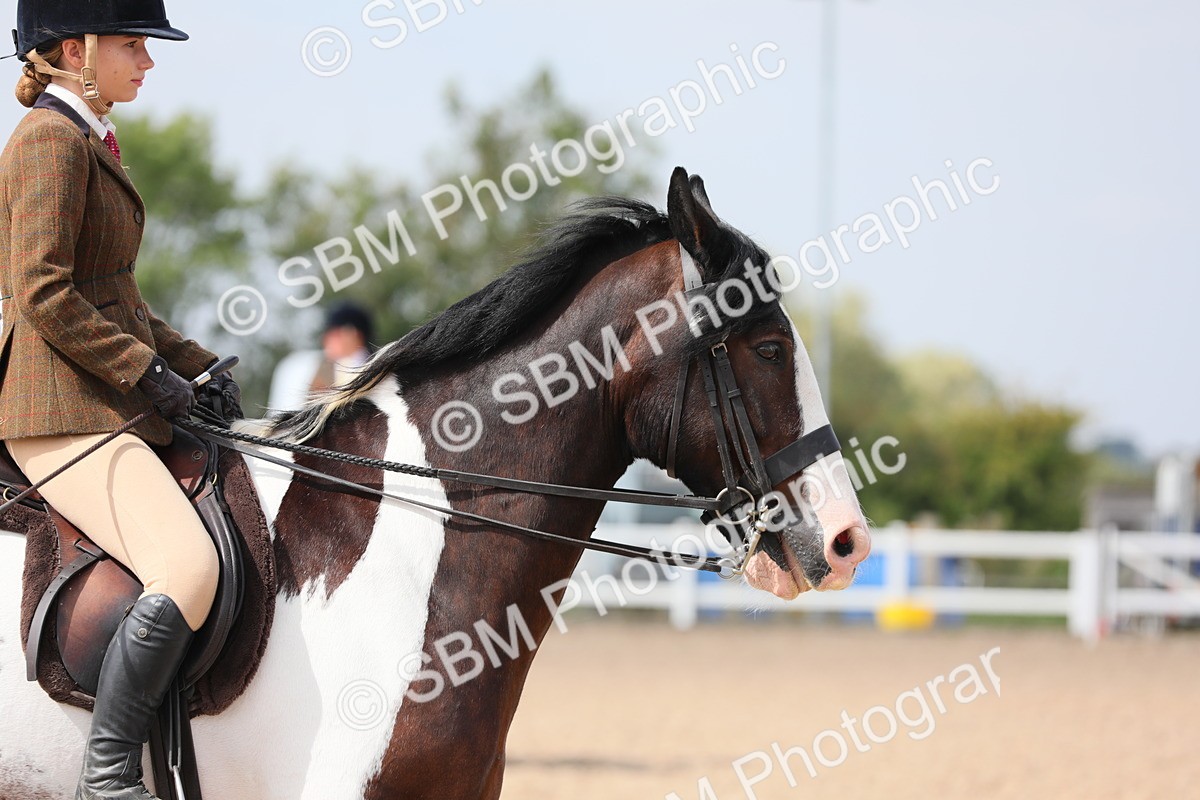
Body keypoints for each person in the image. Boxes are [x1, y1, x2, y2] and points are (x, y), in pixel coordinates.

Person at [0, 2, 239, 797]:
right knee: (187, 565)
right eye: (133, 44)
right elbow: (43, 290)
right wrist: (149, 374)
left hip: (102, 398)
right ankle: (106, 780)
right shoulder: (47, 141)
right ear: (75, 49)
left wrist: (197, 368)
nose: (147, 62)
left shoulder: (89, 139)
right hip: (57, 409)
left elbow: (113, 295)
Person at [308, 300, 376, 393]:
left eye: (333, 334)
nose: (326, 340)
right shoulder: (324, 369)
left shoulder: (376, 368)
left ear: (351, 333)